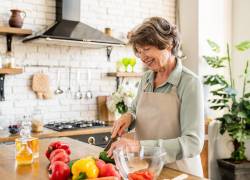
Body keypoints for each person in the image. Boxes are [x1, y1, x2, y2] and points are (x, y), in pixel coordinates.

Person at [107, 17, 204, 177]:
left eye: (146, 48)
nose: (142, 56)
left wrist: (138, 146)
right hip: (146, 170)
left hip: (180, 172)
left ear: (168, 44)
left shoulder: (189, 83)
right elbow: (136, 110)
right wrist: (129, 117)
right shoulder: (146, 79)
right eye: (139, 51)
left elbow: (193, 143)